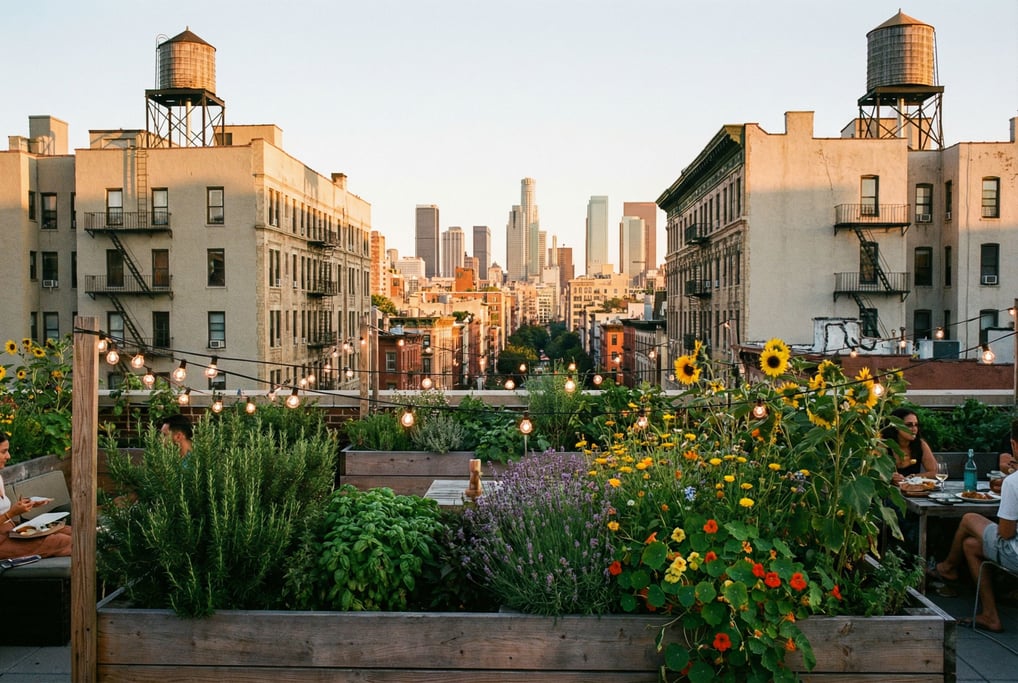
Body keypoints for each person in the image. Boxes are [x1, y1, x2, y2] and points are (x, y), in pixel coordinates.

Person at [929, 418, 1018, 633]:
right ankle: (990, 615)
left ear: (1014, 444)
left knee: (969, 518)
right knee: (970, 545)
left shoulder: (1013, 482)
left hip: (1015, 553)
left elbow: (1005, 534)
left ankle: (947, 568)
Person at [0, 432, 71, 560]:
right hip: (3, 543)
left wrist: (29, 503)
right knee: (63, 541)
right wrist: (11, 513)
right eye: (3, 452)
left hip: (10, 532)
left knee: (72, 532)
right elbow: (6, 514)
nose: (8, 456)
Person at [881, 407, 937, 485]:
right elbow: (876, 472)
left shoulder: (920, 444)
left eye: (916, 425)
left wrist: (912, 478)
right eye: (909, 425)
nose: (914, 429)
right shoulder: (884, 444)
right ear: (896, 426)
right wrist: (890, 477)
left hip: (913, 492)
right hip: (889, 492)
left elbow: (934, 472)